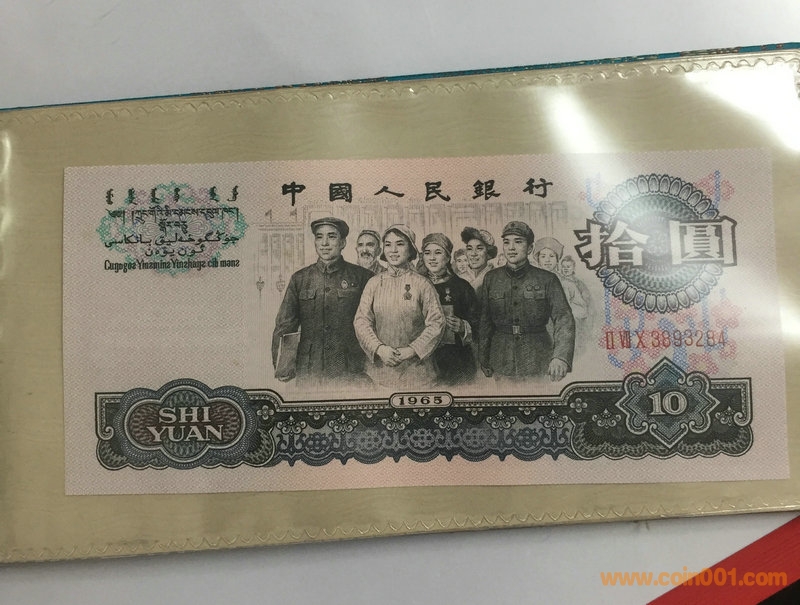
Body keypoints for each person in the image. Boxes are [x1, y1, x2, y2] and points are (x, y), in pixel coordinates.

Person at [272, 217, 374, 385]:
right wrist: (282, 366)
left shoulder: (363, 277)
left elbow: (375, 324)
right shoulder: (300, 279)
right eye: (319, 237)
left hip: (351, 369)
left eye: (332, 236)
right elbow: (285, 326)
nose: (324, 243)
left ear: (343, 242)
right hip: (309, 370)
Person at [479, 222, 575, 382]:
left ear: (530, 248)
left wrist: (560, 357)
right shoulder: (491, 278)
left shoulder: (547, 279)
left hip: (538, 358)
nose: (511, 248)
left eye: (518, 242)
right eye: (506, 242)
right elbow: (485, 321)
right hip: (501, 359)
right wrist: (483, 357)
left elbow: (564, 318)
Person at [354, 225, 445, 388]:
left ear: (410, 249)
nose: (393, 250)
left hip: (418, 374)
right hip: (380, 375)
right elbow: (361, 321)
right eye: (388, 245)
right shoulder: (374, 283)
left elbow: (437, 323)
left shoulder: (422, 284)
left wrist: (412, 350)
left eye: (400, 244)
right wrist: (379, 348)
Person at [418, 233, 479, 385]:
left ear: (447, 257)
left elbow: (479, 322)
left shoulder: (462, 287)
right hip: (422, 360)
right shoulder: (415, 285)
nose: (432, 258)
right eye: (427, 253)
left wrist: (463, 326)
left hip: (455, 360)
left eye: (438, 253)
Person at [559, 255, 594, 352]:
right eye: (563, 267)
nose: (566, 269)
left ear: (573, 268)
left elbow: (566, 301)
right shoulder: (565, 281)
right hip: (578, 312)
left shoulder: (568, 283)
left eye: (568, 267)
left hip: (576, 312)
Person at [460, 227, 497, 292]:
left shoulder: (497, 277)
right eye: (469, 249)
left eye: (479, 248)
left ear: (488, 253)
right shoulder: (459, 278)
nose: (473, 254)